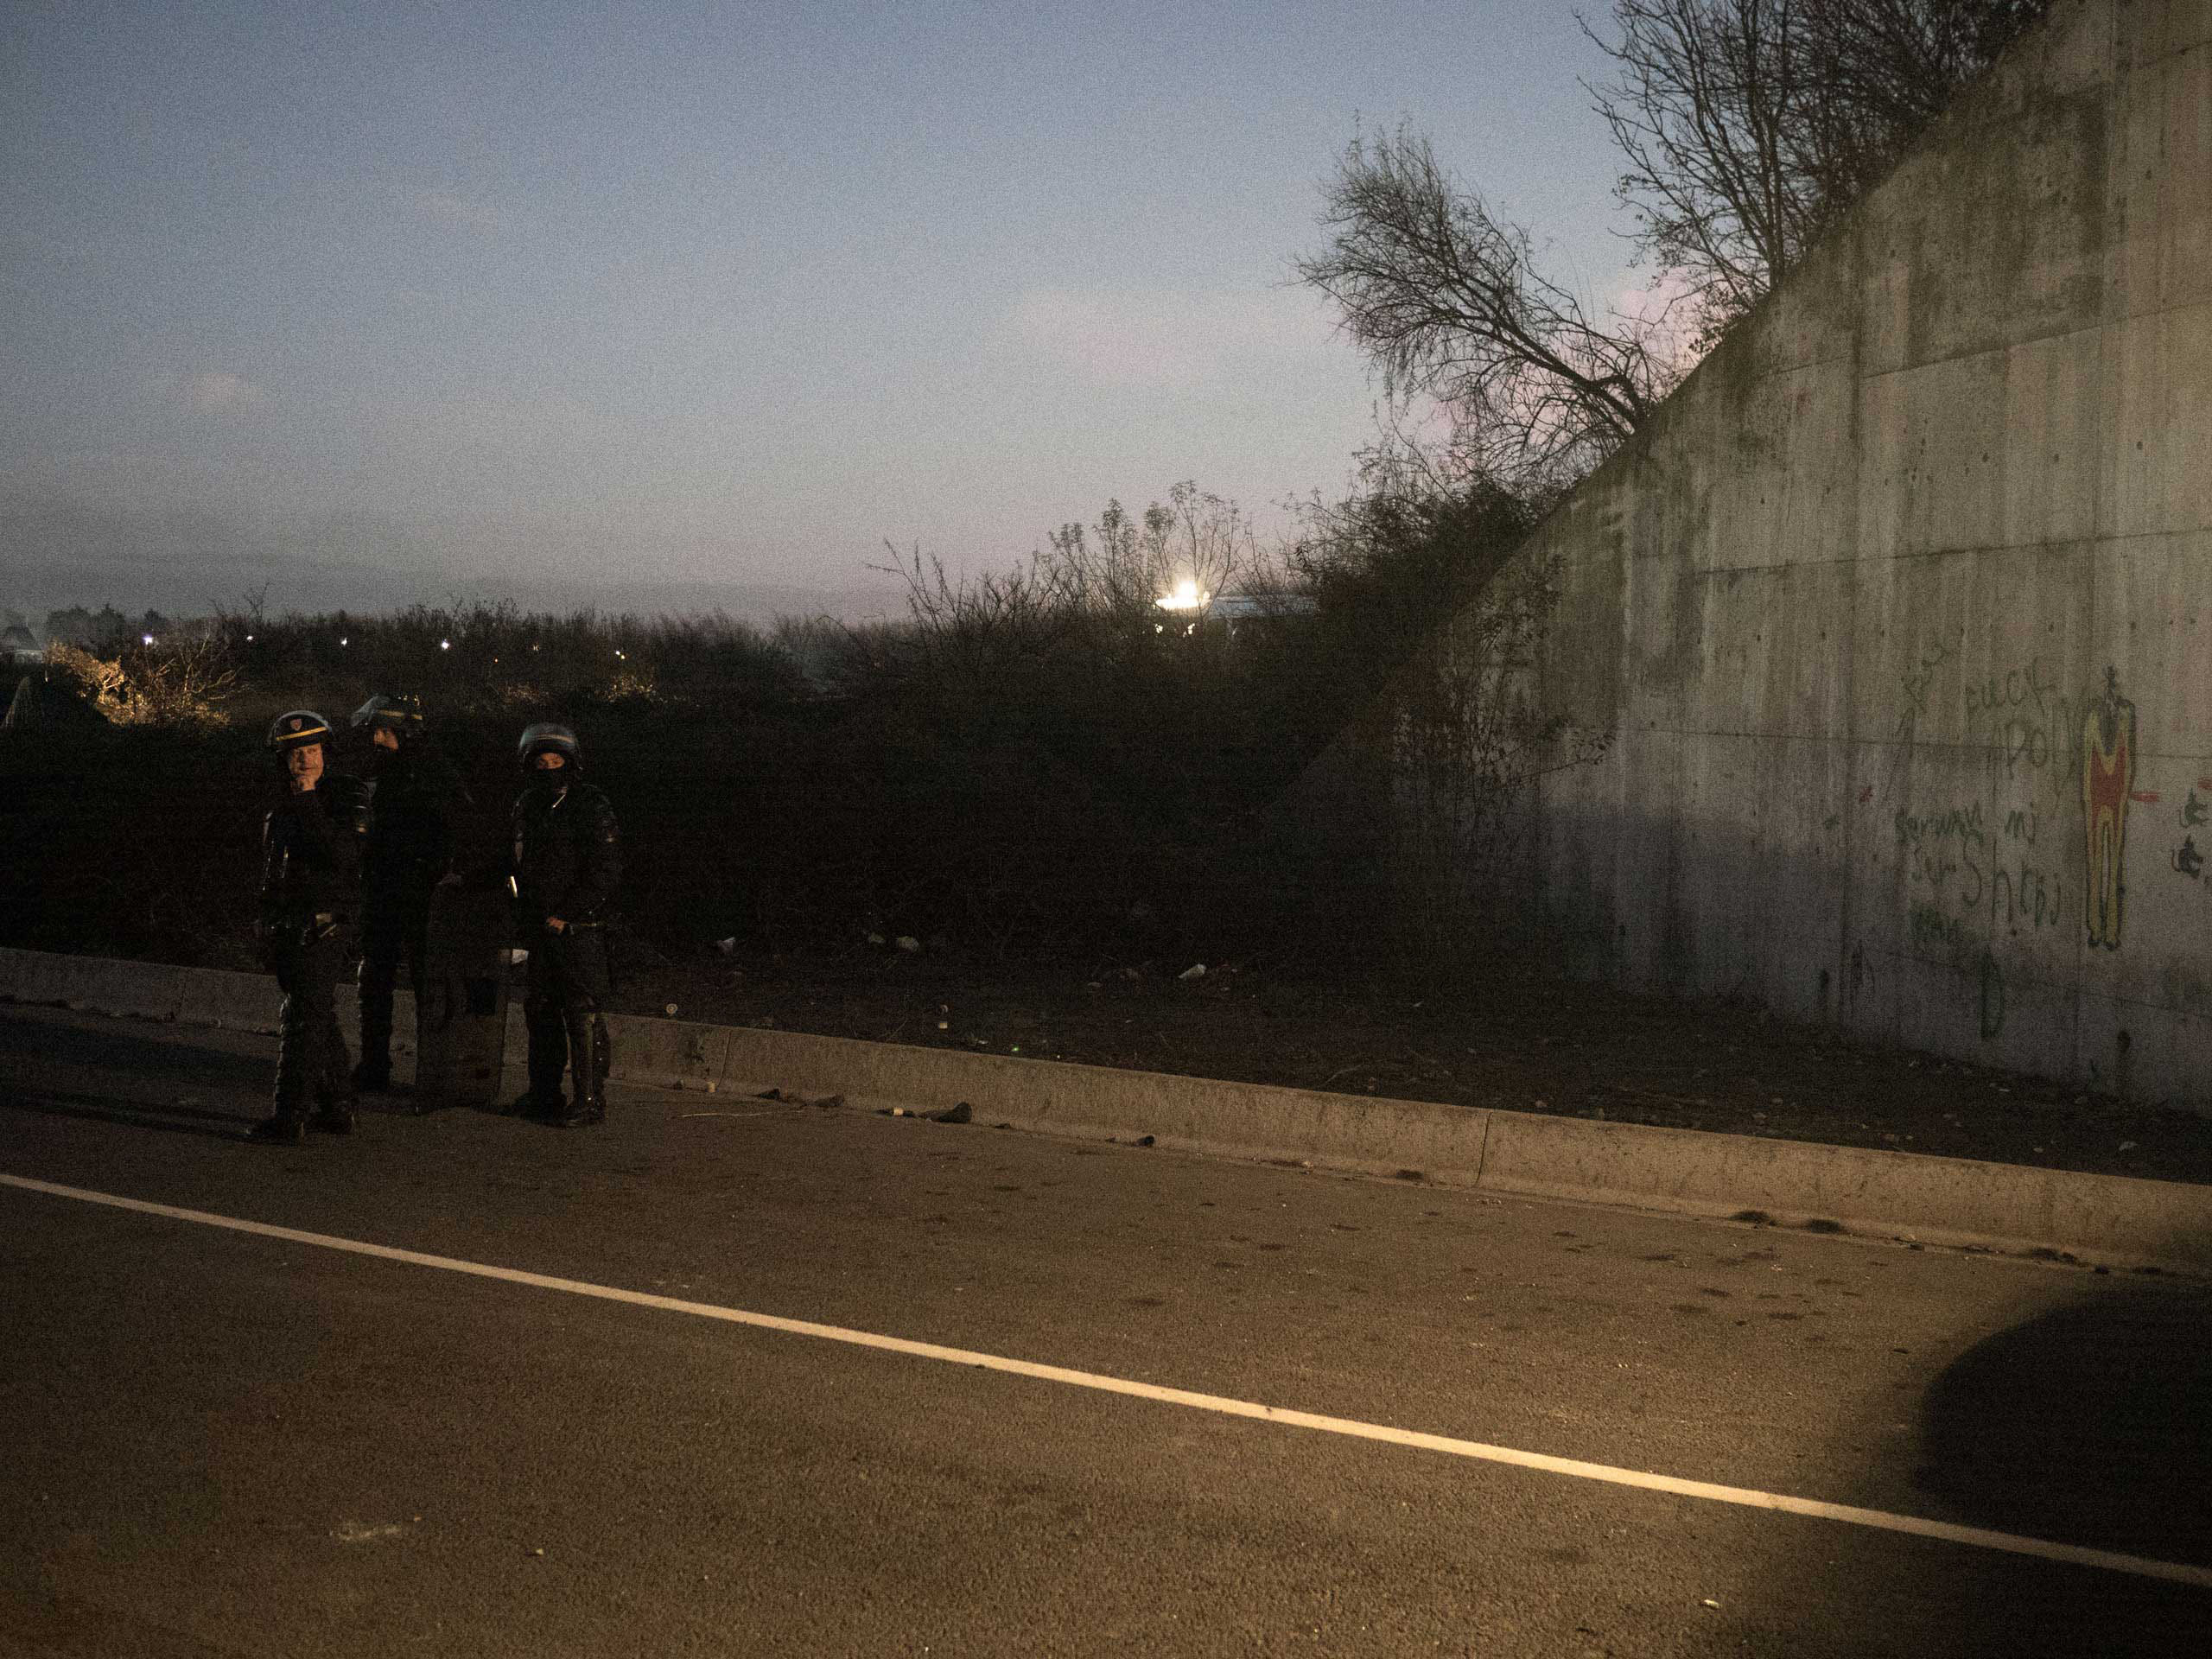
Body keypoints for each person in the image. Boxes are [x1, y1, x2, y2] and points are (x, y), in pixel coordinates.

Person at [254, 710, 372, 1143]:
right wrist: (265, 916)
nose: (304, 760)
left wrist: (307, 801)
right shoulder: (282, 802)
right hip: (288, 922)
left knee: (302, 1018)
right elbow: (274, 867)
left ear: (326, 752)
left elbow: (342, 855)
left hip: (326, 923)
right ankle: (339, 1106)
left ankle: (289, 1117)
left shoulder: (345, 794)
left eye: (312, 750)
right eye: (296, 753)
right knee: (317, 1014)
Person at [347, 692, 467, 1098]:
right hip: (381, 888)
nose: (377, 739)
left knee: (427, 981)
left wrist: (438, 873)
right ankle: (374, 1065)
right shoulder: (375, 772)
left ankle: (431, 1071)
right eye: (375, 732)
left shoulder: (433, 773)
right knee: (374, 977)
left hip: (421, 893)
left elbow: (456, 828)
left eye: (384, 732)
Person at [511, 721, 620, 1128]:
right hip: (540, 925)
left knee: (582, 1011)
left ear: (570, 763)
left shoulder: (590, 804)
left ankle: (590, 1100)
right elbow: (515, 858)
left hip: (578, 929)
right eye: (540, 762)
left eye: (555, 761)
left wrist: (571, 913)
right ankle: (544, 1092)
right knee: (540, 1009)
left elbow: (605, 868)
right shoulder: (528, 805)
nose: (548, 768)